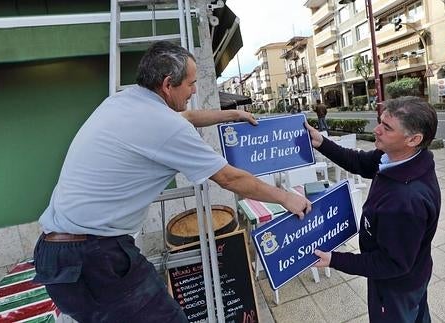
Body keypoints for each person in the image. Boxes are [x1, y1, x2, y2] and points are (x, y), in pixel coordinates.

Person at [32, 41, 311, 323]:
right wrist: (287, 198)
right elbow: (229, 177)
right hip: (93, 258)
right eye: (191, 84)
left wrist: (233, 114)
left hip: (57, 255)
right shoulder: (165, 126)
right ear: (168, 84)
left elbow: (187, 116)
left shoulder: (122, 101)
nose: (193, 90)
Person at [308, 96, 440, 322]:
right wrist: (321, 142)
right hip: (414, 269)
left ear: (414, 139)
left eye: (387, 128)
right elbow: (360, 162)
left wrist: (334, 259)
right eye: (380, 122)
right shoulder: (398, 157)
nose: (377, 130)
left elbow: (391, 263)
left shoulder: (406, 201)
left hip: (396, 287)